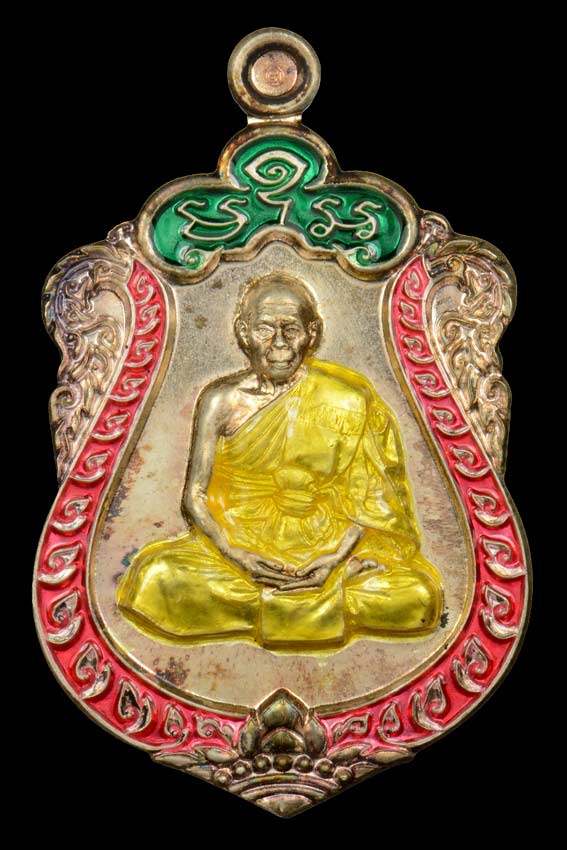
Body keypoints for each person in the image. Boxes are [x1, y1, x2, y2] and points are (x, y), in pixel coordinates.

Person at [116, 273, 443, 648]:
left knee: (419, 595)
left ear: (312, 334)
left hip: (324, 548)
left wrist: (336, 559)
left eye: (292, 329)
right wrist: (236, 555)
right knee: (156, 580)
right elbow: (195, 496)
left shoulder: (348, 399)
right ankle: (306, 605)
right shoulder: (220, 401)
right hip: (241, 548)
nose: (280, 344)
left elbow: (367, 502)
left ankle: (266, 607)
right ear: (243, 332)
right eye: (265, 330)